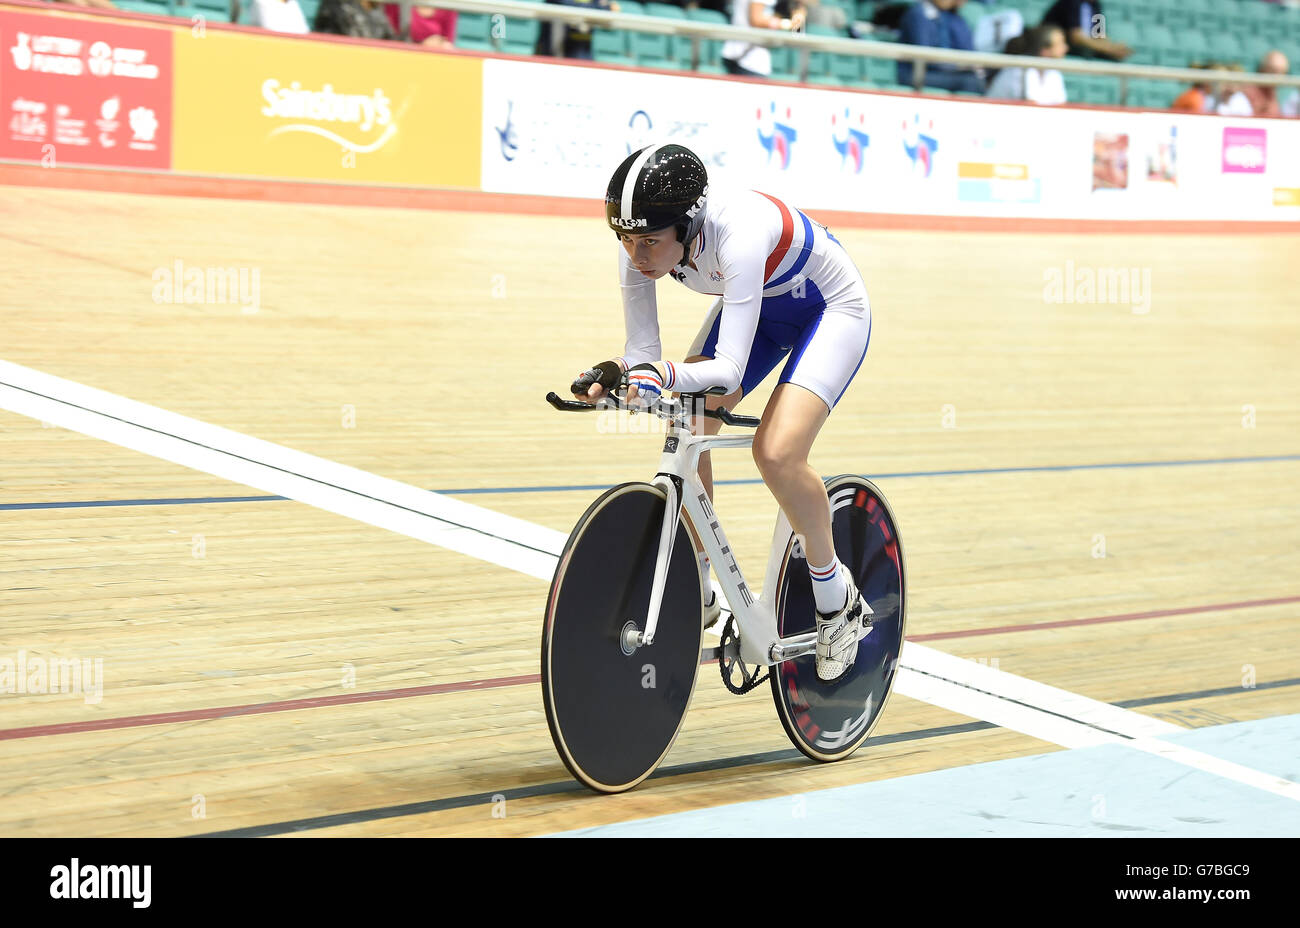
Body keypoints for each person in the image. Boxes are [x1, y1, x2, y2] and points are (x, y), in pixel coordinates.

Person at [569, 144, 873, 682]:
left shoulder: (740, 233)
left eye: (649, 243)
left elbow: (728, 371)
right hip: (760, 307)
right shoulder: (641, 241)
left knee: (776, 453)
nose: (636, 255)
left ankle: (836, 597)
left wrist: (657, 376)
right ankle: (703, 586)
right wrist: (618, 379)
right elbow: (642, 356)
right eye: (625, 239)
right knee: (685, 421)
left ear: (687, 226)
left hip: (829, 309)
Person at [896, 0, 985, 94]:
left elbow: (963, 48)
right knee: (969, 82)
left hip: (937, 70)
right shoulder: (918, 14)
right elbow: (924, 54)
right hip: (914, 73)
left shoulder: (947, 16)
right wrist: (956, 65)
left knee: (974, 77)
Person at [722, 0, 807, 78]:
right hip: (749, 59)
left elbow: (797, 31)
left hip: (742, 55)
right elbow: (756, 20)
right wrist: (787, 24)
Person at [985, 24, 1067, 104]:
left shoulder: (1053, 71)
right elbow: (1030, 107)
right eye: (1060, 44)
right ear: (1044, 51)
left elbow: (1061, 105)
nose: (1066, 48)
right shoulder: (1022, 68)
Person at [1039, 0, 1130, 60]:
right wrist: (1108, 48)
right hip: (1061, 45)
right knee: (1086, 51)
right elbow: (1076, 37)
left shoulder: (1095, 5)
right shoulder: (1071, 2)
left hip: (1085, 45)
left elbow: (1100, 35)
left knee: (1115, 57)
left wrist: (1114, 48)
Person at [1240, 50, 1290, 118]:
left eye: (1283, 73)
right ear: (1264, 69)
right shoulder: (1248, 92)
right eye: (1275, 71)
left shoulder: (1274, 94)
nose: (1279, 77)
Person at [384, 4, 458, 46]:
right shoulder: (396, 5)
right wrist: (422, 46)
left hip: (433, 55)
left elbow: (448, 40)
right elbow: (388, 37)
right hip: (402, 51)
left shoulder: (447, 6)